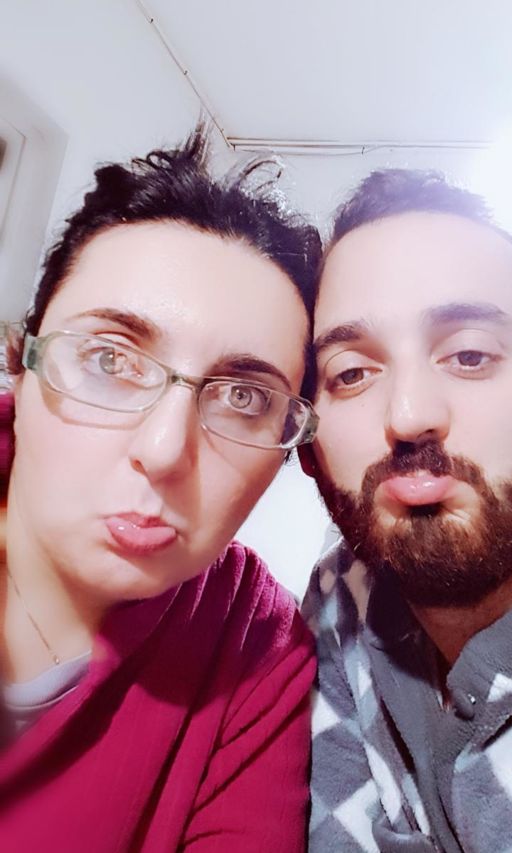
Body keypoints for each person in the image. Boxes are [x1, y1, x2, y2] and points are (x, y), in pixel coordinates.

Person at [0, 128, 321, 851]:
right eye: (110, 359)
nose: (164, 450)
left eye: (242, 397)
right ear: (21, 365)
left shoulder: (258, 648)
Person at [300, 169, 512, 852]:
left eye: (470, 354)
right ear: (307, 442)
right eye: (352, 373)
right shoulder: (340, 598)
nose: (410, 414)